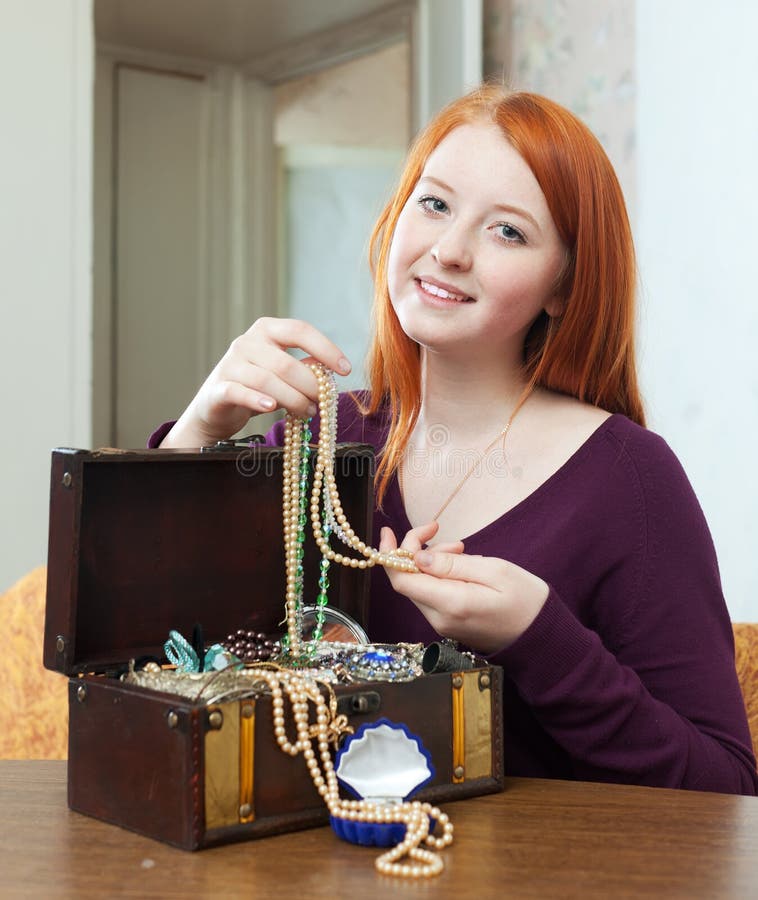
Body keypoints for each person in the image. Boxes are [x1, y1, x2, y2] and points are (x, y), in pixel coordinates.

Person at [152, 85, 758, 795]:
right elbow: (154, 643)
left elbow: (725, 795)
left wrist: (539, 637)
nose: (448, 251)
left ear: (563, 286)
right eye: (434, 204)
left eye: (508, 231)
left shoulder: (631, 478)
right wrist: (197, 429)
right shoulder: (323, 434)